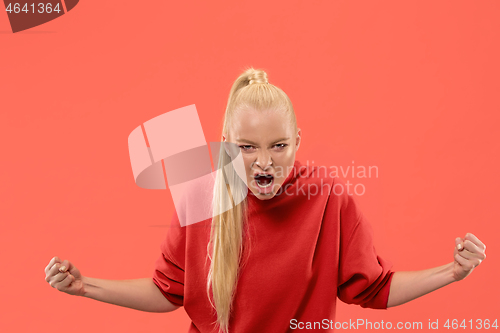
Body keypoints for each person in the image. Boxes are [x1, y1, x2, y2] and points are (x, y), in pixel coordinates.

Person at [44, 67, 487, 333]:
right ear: (225, 143)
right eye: (246, 147)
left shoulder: (327, 197)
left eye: (278, 146)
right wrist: (85, 288)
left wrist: (454, 271)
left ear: (298, 142)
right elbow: (169, 292)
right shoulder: (202, 195)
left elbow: (372, 288)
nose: (263, 163)